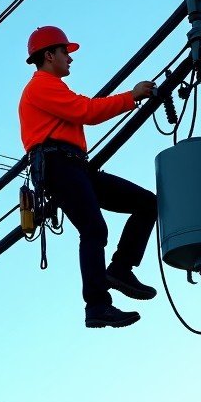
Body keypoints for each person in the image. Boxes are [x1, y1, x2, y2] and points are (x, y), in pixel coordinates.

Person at [18, 25, 158, 329]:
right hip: (59, 166)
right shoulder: (41, 85)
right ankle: (96, 305)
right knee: (94, 229)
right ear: (49, 54)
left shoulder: (51, 86)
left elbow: (84, 110)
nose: (70, 58)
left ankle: (120, 268)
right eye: (65, 52)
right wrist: (131, 96)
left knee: (147, 203)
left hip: (74, 166)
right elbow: (87, 111)